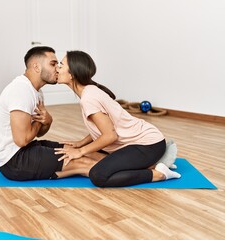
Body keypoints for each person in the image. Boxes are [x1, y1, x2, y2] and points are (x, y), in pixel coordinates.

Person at [54, 50, 181, 187]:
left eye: (61, 65)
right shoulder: (89, 91)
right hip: (140, 144)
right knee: (93, 155)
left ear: (72, 74)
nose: (57, 68)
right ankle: (153, 162)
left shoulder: (88, 97)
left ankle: (159, 173)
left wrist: (80, 151)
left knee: (98, 175)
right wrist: (81, 143)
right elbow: (102, 126)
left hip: (148, 145)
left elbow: (110, 135)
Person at [0, 46, 98, 181]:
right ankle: (125, 173)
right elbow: (22, 140)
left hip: (26, 149)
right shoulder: (20, 91)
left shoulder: (36, 91)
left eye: (58, 64)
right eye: (53, 64)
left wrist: (47, 121)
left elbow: (39, 133)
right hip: (14, 161)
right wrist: (40, 121)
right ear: (37, 67)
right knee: (86, 163)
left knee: (78, 151)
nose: (57, 68)